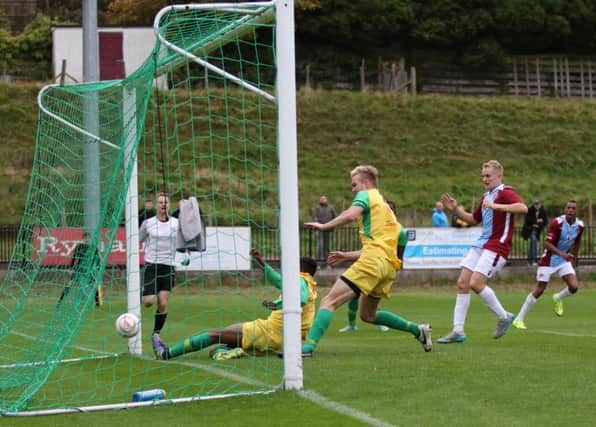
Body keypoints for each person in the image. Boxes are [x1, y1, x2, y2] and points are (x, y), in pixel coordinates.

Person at [302, 165, 432, 357]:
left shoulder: (366, 195)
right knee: (368, 315)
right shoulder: (385, 208)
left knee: (329, 301)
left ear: (366, 183)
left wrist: (324, 226)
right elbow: (401, 235)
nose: (353, 189)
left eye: (354, 184)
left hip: (372, 261)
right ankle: (418, 330)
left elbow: (351, 215)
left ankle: (306, 348)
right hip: (387, 267)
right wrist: (348, 256)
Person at [153, 249, 318, 360]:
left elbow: (299, 298)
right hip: (271, 330)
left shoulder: (301, 280)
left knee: (213, 335)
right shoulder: (307, 283)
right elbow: (279, 281)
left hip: (269, 333)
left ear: (301, 267)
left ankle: (166, 354)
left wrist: (277, 304)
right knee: (228, 332)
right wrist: (261, 262)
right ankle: (234, 351)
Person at [437, 160, 527, 344]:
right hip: (481, 244)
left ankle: (503, 316)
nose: (484, 179)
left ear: (498, 176)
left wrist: (497, 206)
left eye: (488, 176)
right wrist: (455, 209)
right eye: (483, 176)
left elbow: (523, 208)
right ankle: (458, 330)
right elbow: (473, 219)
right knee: (462, 283)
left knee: (476, 283)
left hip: (497, 246)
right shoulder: (486, 195)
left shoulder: (505, 192)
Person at [513, 200, 584, 329]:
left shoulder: (580, 226)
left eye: (573, 208)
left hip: (564, 260)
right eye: (568, 208)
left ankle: (558, 297)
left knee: (574, 287)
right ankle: (519, 319)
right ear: (564, 209)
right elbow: (547, 244)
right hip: (549, 259)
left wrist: (574, 257)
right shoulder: (557, 223)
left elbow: (577, 242)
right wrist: (563, 254)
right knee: (540, 290)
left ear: (576, 211)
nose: (570, 210)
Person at [339, 200, 408, 333]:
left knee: (368, 295)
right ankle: (352, 325)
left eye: (390, 209)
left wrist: (397, 266)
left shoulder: (399, 231)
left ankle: (379, 321)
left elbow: (399, 255)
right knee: (355, 294)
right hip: (368, 260)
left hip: (382, 265)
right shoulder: (374, 225)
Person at [141, 192, 179, 354]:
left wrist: (186, 255)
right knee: (149, 301)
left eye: (166, 202)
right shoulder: (148, 223)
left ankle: (156, 334)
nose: (163, 205)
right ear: (156, 205)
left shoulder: (177, 224)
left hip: (168, 267)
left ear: (169, 205)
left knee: (163, 303)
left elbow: (186, 240)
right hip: (151, 265)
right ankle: (143, 292)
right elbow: (138, 239)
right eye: (160, 202)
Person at [58, 231, 102, 307]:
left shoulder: (94, 247)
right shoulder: (79, 247)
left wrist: (98, 268)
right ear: (83, 238)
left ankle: (97, 303)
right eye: (85, 238)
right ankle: (60, 302)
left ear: (90, 238)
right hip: (79, 269)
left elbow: (97, 259)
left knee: (94, 284)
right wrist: (71, 269)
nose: (87, 239)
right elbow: (74, 257)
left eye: (88, 238)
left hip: (89, 270)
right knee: (69, 284)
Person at [521, 199, 548, 266]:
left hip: (537, 231)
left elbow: (545, 221)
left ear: (540, 205)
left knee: (533, 245)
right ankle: (533, 261)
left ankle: (530, 261)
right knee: (534, 243)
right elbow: (527, 220)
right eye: (535, 204)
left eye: (538, 204)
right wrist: (537, 221)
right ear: (533, 205)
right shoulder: (530, 210)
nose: (537, 205)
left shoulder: (542, 211)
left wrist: (540, 224)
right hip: (530, 230)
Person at [312, 195, 337, 265]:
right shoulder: (317, 208)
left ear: (327, 200)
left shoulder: (331, 208)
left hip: (329, 229)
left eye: (324, 199)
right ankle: (319, 261)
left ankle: (328, 261)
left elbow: (335, 217)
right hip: (319, 230)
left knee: (328, 246)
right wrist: (318, 224)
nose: (323, 200)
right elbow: (314, 217)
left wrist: (332, 224)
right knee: (319, 246)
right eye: (321, 199)